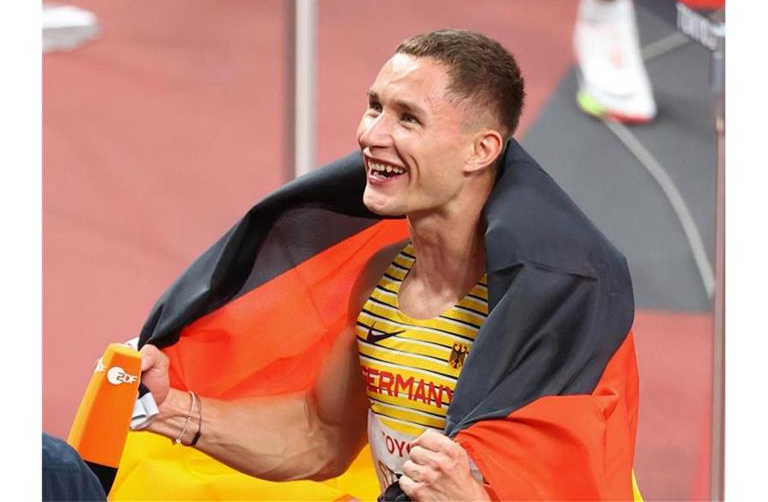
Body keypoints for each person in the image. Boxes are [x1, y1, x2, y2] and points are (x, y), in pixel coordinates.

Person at [138, 29, 638, 500]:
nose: (370, 135)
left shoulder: (551, 310)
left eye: (408, 118)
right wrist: (171, 408)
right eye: (374, 106)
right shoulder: (382, 279)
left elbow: (585, 483)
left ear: (480, 150)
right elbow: (322, 434)